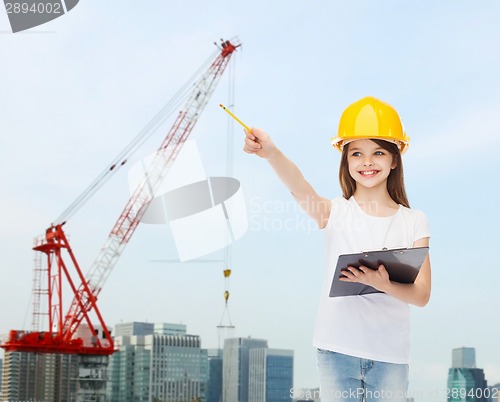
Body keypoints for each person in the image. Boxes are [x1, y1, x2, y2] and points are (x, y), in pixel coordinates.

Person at [243, 96, 431, 402]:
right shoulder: (333, 212)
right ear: (345, 160)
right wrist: (271, 152)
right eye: (356, 153)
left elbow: (422, 295)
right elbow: (297, 184)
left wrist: (383, 284)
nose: (367, 162)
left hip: (391, 355)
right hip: (336, 350)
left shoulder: (413, 221)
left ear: (395, 158)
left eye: (378, 152)